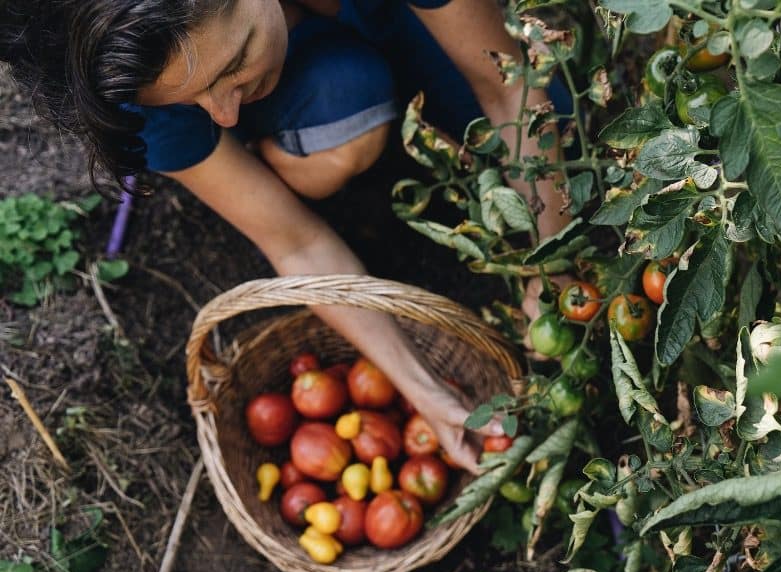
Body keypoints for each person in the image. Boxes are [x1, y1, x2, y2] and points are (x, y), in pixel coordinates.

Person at [0, 0, 572, 471]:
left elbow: (510, 92)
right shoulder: (130, 85)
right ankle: (301, 133)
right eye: (191, 99)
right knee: (346, 109)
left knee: (553, 126)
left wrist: (552, 268)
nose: (221, 115)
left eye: (232, 67)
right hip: (314, 61)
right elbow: (296, 243)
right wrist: (423, 390)